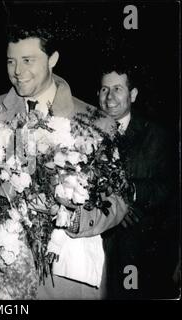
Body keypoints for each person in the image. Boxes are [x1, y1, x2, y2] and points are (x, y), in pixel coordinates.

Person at [0, 25, 129, 300]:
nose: (17, 70)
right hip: (1, 276)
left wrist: (73, 216)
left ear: (52, 59)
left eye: (28, 60)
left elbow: (119, 200)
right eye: (10, 60)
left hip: (65, 282)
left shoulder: (96, 122)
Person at [97, 62, 176, 299]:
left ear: (133, 94)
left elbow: (169, 188)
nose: (109, 97)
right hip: (94, 249)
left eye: (118, 89)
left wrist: (129, 192)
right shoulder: (84, 132)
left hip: (137, 251)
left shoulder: (157, 135)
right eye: (104, 89)